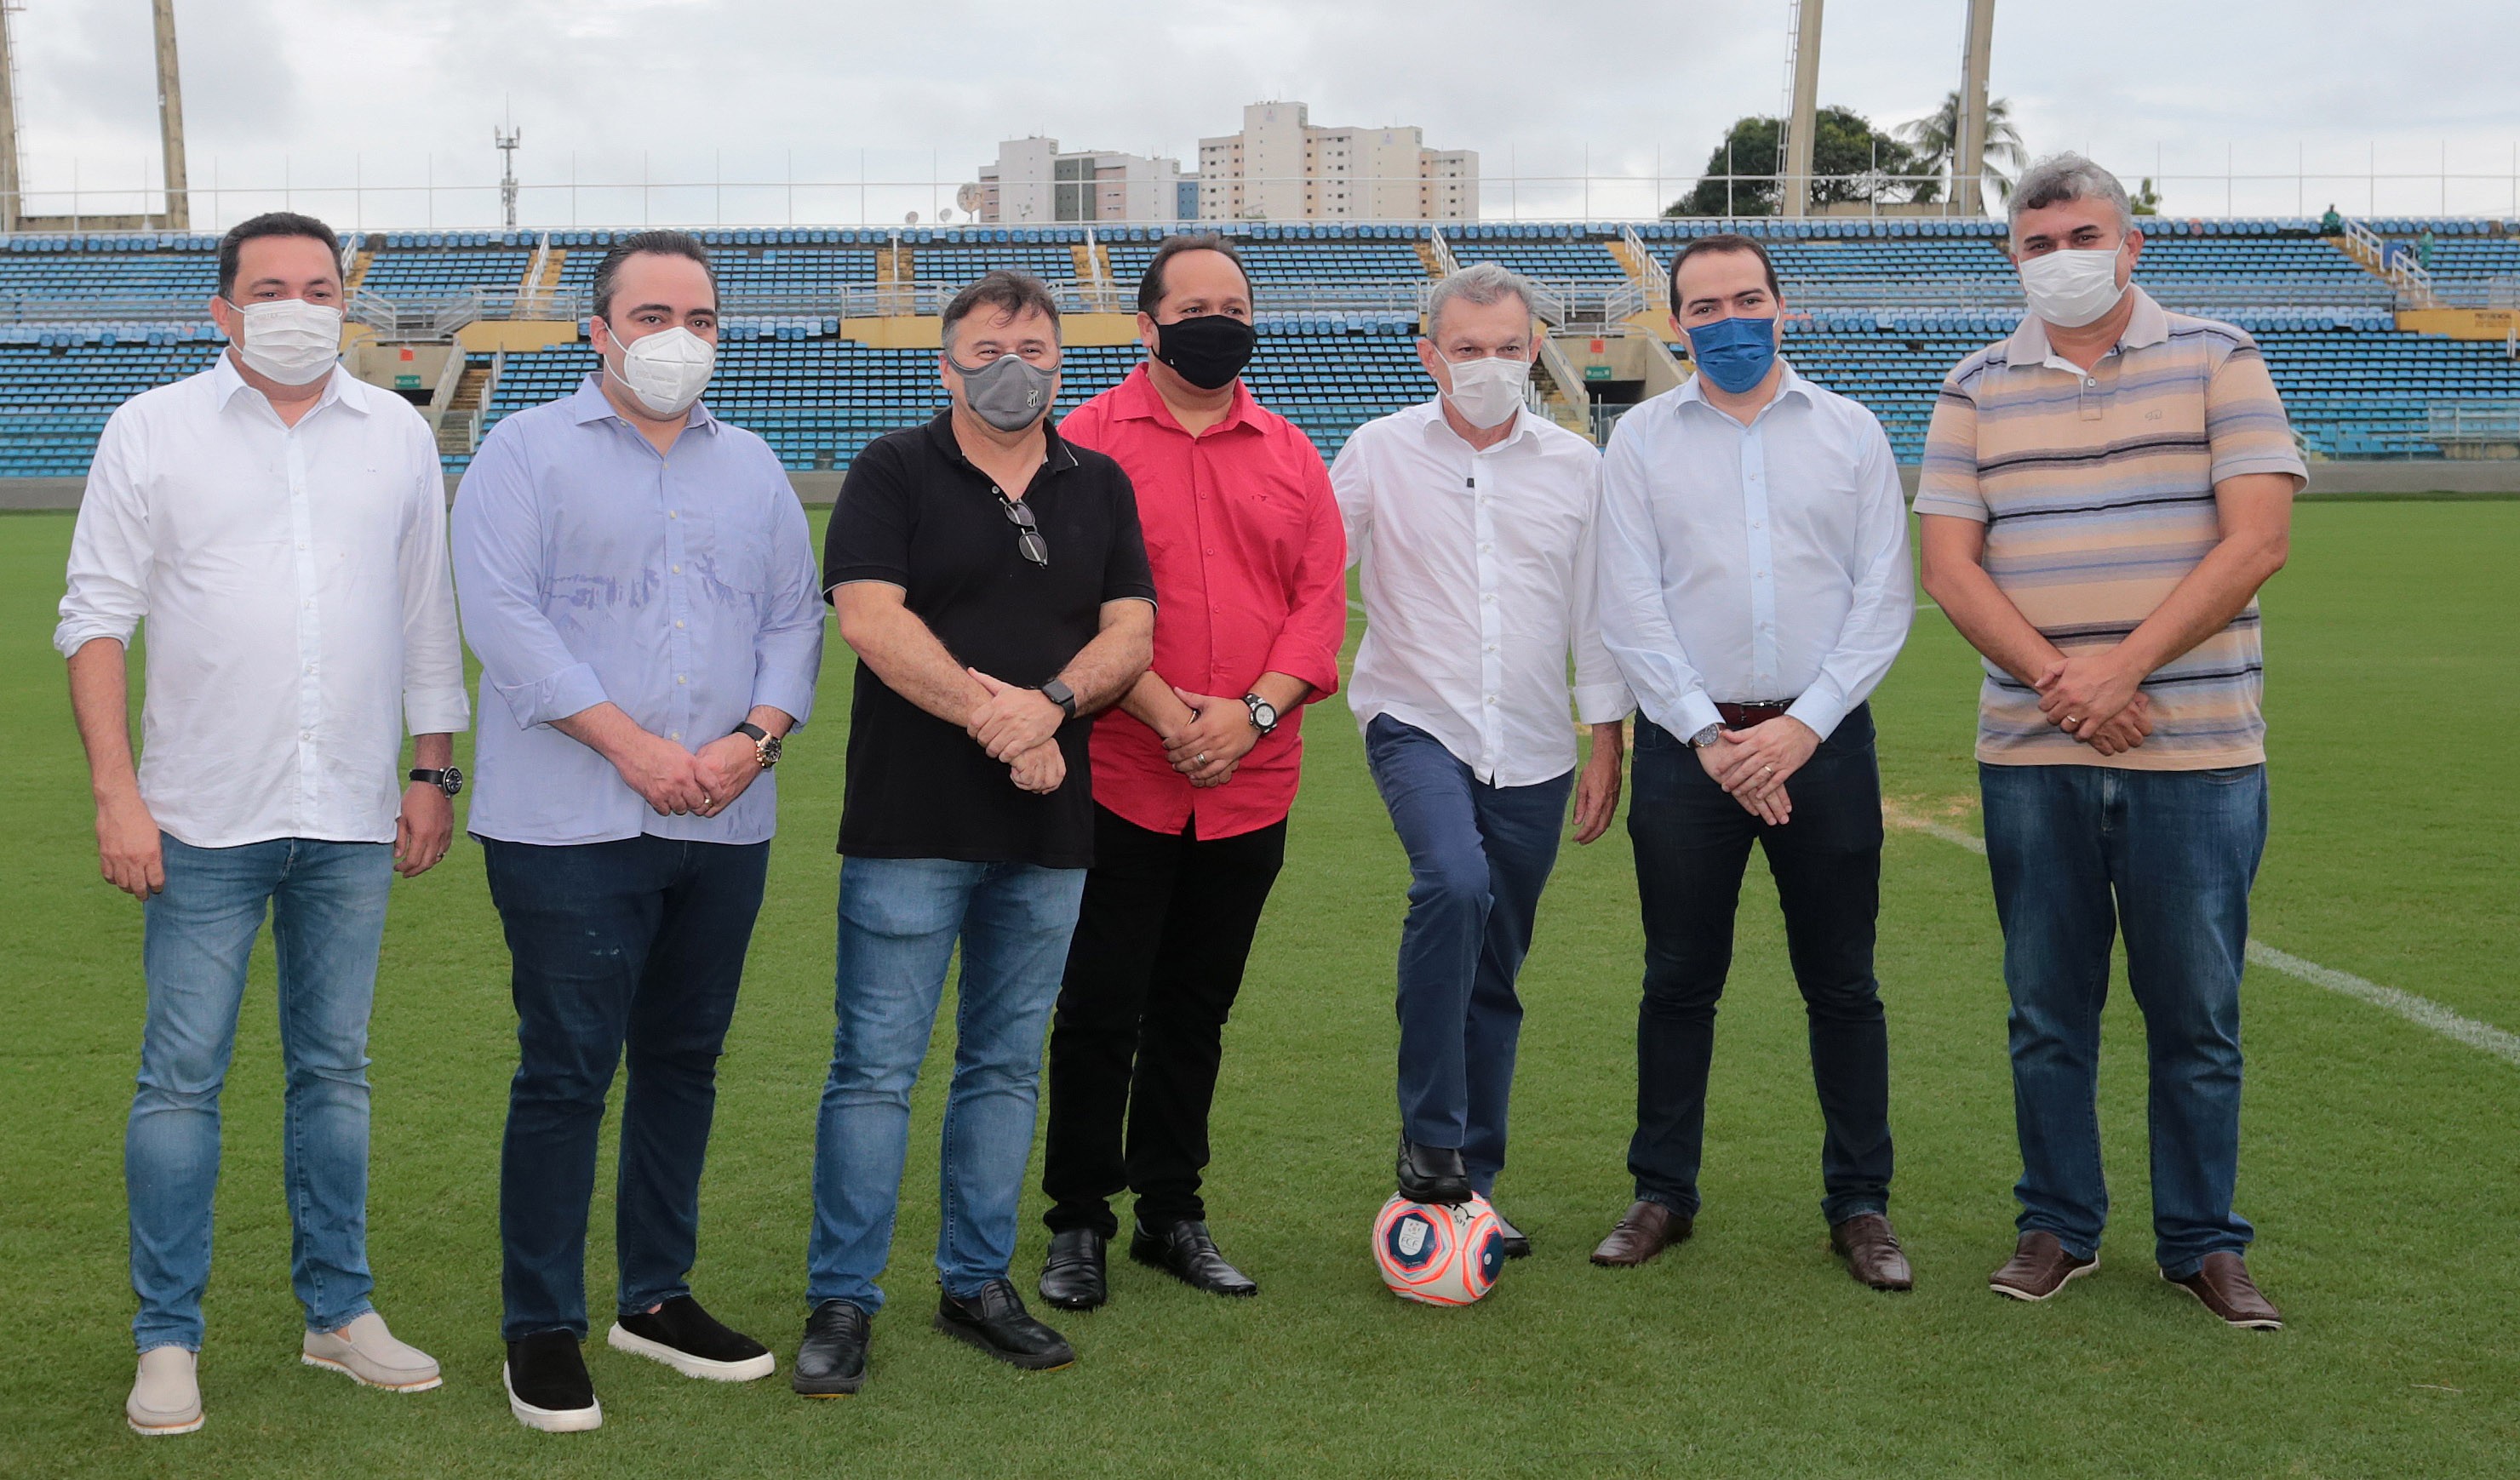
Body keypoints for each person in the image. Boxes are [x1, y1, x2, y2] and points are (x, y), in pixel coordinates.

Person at [57, 210, 465, 1436]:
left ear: (348, 301)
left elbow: (424, 611)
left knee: (334, 1070)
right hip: (198, 816)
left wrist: (432, 769)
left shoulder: (396, 431)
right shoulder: (151, 428)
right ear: (223, 309)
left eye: (321, 285)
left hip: (346, 811)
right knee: (179, 1079)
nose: (300, 303)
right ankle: (167, 1335)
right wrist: (117, 792)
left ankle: (339, 1311)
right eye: (271, 286)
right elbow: (94, 618)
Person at [1917, 153, 2303, 1329]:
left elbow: (2256, 541)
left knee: (2196, 1010)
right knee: (2047, 1007)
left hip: (2198, 750)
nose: (2062, 259)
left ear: (2132, 245)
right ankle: (2058, 1225)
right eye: (2038, 244)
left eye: (2083, 236)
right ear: (2012, 260)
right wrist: (2059, 678)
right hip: (2034, 755)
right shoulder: (1974, 385)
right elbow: (1948, 564)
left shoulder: (2220, 359)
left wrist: (2121, 667)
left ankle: (2201, 1240)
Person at [451, 229, 826, 1431]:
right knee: (566, 1071)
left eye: (702, 319)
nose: (679, 338)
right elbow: (504, 620)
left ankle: (655, 1297)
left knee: (684, 1061)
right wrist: (638, 748)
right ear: (596, 328)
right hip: (568, 824)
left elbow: (792, 623)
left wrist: (753, 739)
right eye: (653, 313)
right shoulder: (521, 452)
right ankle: (542, 1322)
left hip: (724, 816)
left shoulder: (755, 465)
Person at [796, 271, 1155, 1395]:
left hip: (1048, 827)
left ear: (1064, 360)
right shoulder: (894, 469)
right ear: (945, 362)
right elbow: (870, 616)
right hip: (910, 819)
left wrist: (1049, 705)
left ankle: (976, 1283)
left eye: (1038, 345)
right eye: (992, 344)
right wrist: (1004, 720)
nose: (1017, 362)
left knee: (1004, 1065)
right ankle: (844, 1298)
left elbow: (1131, 628)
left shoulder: (1098, 481)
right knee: (876, 1070)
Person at [1593, 232, 1916, 1291]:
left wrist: (1802, 727)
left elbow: (1882, 598)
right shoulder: (1637, 441)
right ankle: (1660, 1191)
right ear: (1675, 322)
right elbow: (1628, 602)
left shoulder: (1851, 433)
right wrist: (1706, 734)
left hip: (1821, 742)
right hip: (1692, 754)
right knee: (1677, 980)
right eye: (1704, 307)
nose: (1728, 321)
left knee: (1843, 982)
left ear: (1783, 306)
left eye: (1747, 299)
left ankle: (1859, 1204)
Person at [1034, 233, 1347, 1311]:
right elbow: (1069, 605)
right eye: (1194, 304)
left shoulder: (1292, 453)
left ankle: (1172, 1209)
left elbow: (1317, 606)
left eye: (1234, 303)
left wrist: (1253, 711)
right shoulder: (1079, 439)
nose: (1217, 320)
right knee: (1096, 1008)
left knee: (1195, 1009)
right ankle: (1077, 1219)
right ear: (1146, 322)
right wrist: (1171, 714)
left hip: (1252, 781)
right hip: (1121, 774)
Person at [1330, 261, 1630, 1254]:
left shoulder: (1576, 464)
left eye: (1509, 347)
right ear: (1430, 354)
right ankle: (1428, 1137)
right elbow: (1308, 567)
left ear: (1533, 350)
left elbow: (1595, 611)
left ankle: (1471, 1189)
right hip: (1415, 718)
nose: (1490, 365)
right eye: (1467, 350)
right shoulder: (1374, 452)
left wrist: (1605, 737)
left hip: (1538, 742)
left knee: (1497, 966)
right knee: (1453, 885)